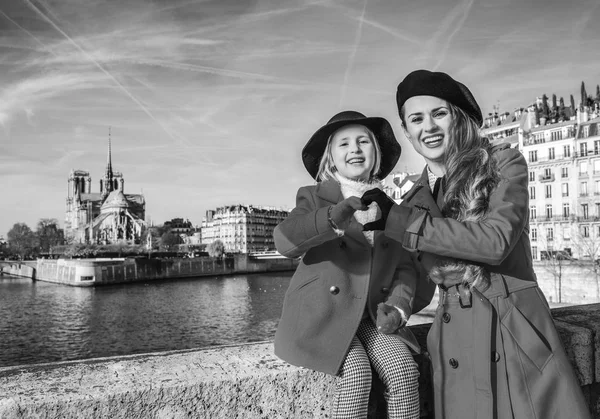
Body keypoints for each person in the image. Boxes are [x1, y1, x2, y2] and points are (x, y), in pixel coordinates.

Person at [362, 69, 591, 418]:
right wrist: (393, 306)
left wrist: (398, 221)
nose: (429, 127)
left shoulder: (502, 163)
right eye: (416, 119)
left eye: (439, 114)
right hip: (453, 340)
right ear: (407, 132)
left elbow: (496, 241)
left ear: (460, 118)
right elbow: (416, 277)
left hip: (512, 330)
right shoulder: (412, 200)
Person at [273, 110, 432, 418]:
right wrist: (330, 218)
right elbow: (285, 242)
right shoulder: (314, 198)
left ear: (376, 154)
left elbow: (404, 267)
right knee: (357, 375)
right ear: (330, 158)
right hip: (323, 313)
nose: (355, 149)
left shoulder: (389, 208)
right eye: (344, 144)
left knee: (403, 368)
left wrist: (399, 305)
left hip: (370, 315)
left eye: (363, 142)